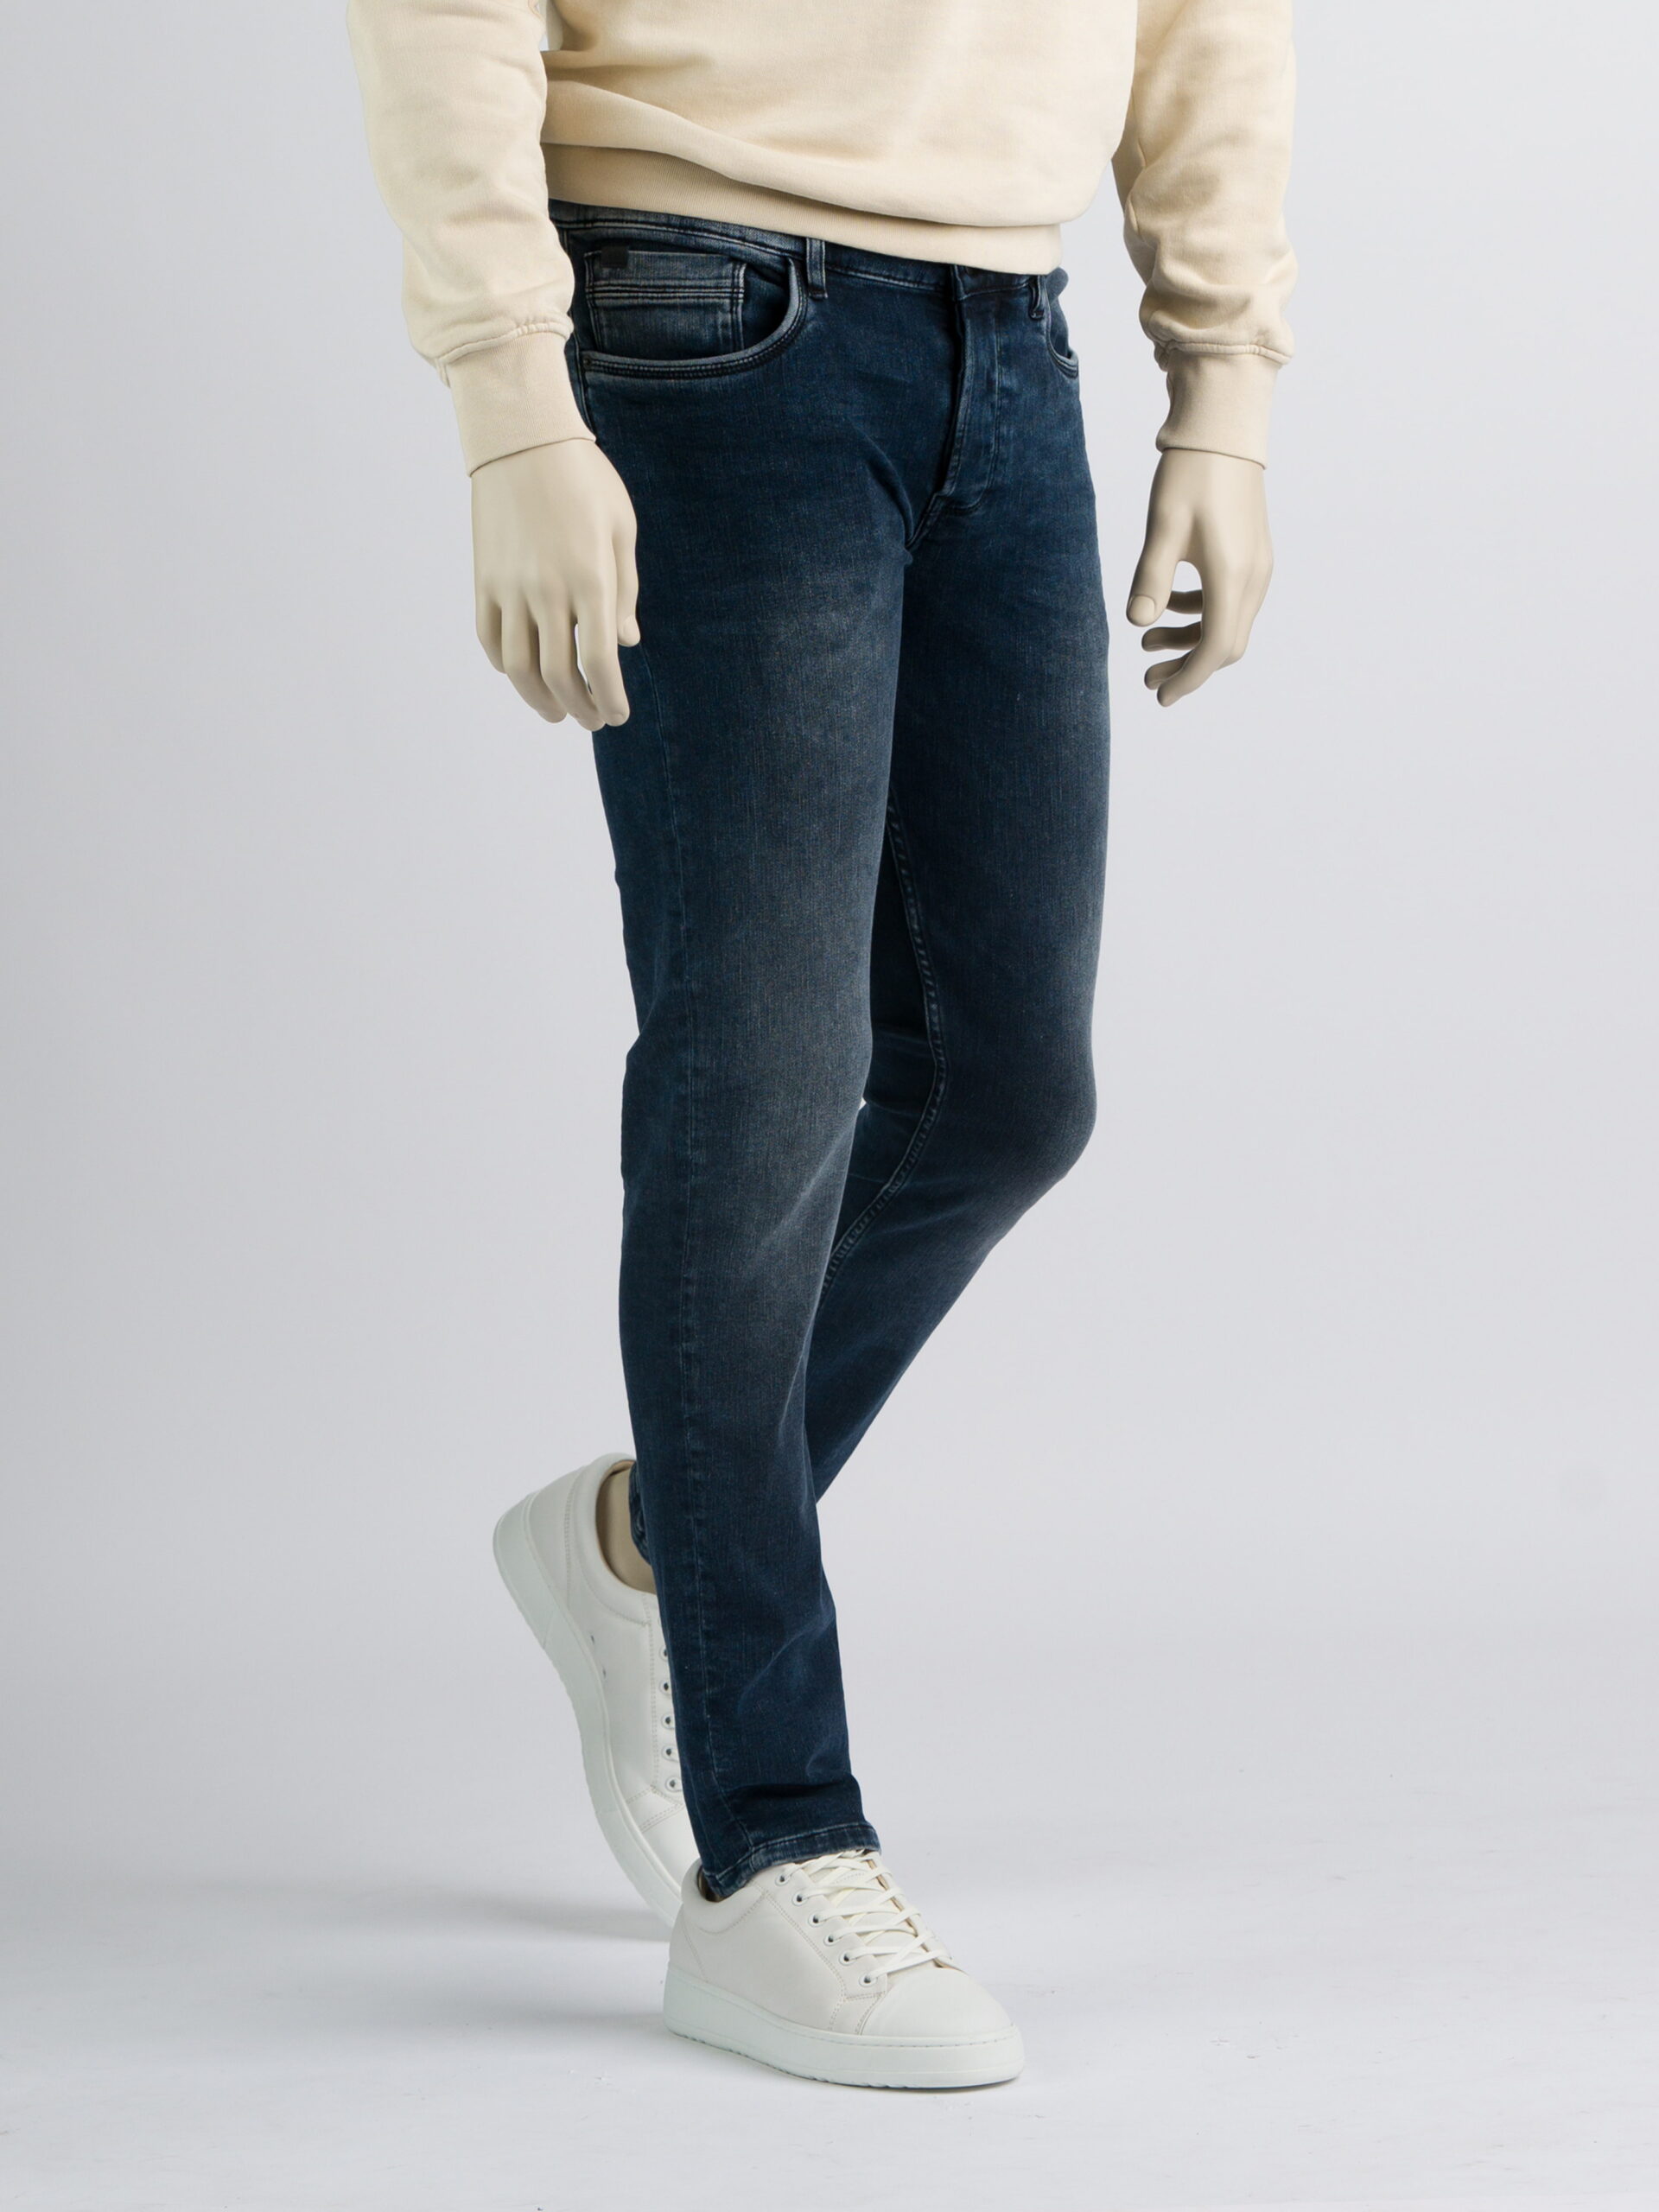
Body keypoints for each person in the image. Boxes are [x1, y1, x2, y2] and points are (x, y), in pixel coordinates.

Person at [346, 0, 1294, 2088]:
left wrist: (1221, 382)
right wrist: (509, 394)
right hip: (701, 311)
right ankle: (771, 1840)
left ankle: (647, 1548)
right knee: (758, 1078)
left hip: (1012, 334)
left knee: (1005, 1086)